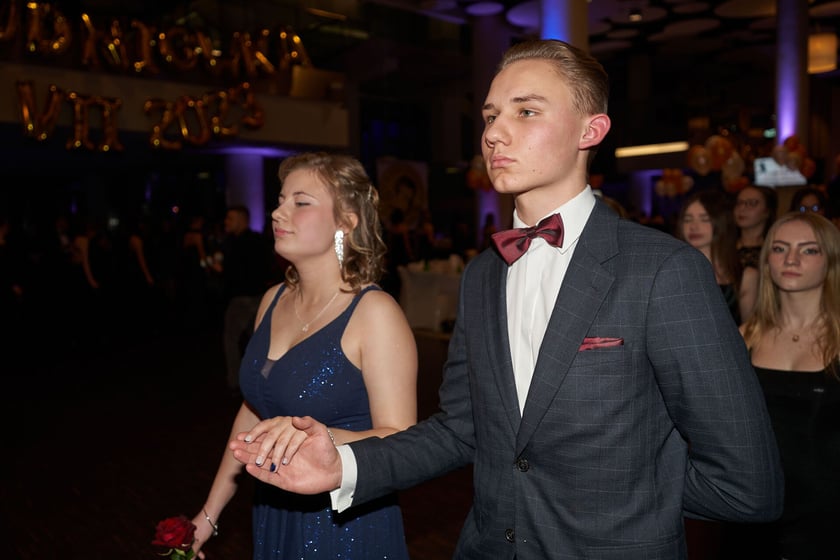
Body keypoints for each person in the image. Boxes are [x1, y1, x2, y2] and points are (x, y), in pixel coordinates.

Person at [231, 39, 783, 559]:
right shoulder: (482, 276)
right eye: (491, 115)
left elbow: (747, 483)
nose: (494, 133)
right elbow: (460, 430)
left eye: (526, 111)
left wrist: (627, 499)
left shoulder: (662, 269)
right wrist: (344, 466)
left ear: (591, 130)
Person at [190, 152, 418, 560]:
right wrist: (208, 514)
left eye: (300, 202)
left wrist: (318, 437)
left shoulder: (374, 313)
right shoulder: (272, 300)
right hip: (274, 509)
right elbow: (253, 413)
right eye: (280, 200)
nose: (278, 213)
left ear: (346, 221)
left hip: (344, 522)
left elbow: (402, 439)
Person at [736, 211, 840, 559]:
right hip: (758, 516)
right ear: (767, 260)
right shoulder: (743, 338)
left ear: (831, 260)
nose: (791, 259)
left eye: (808, 250)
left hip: (829, 519)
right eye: (780, 249)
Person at [214, 205, 272, 392]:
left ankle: (235, 382)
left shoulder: (236, 243)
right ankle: (266, 378)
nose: (226, 222)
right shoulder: (257, 241)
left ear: (241, 220)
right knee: (259, 340)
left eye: (230, 219)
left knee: (231, 340)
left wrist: (220, 270)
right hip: (259, 297)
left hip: (241, 299)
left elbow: (232, 274)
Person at [676, 190, 743, 324]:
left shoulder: (743, 274)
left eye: (704, 219)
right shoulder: (672, 271)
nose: (693, 226)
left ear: (721, 222)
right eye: (688, 219)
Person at [734, 184, 778, 322]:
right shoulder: (723, 247)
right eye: (739, 203)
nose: (742, 208)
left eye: (752, 203)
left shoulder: (775, 250)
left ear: (767, 211)